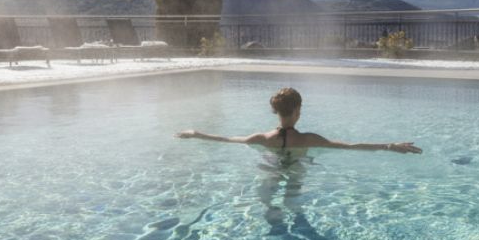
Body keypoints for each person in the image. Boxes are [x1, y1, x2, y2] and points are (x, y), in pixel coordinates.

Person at [176, 87, 422, 154]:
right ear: (297, 111)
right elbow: (350, 146)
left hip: (270, 167)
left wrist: (195, 133)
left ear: (276, 111)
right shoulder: (308, 139)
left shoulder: (262, 138)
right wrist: (389, 146)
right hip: (296, 171)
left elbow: (226, 139)